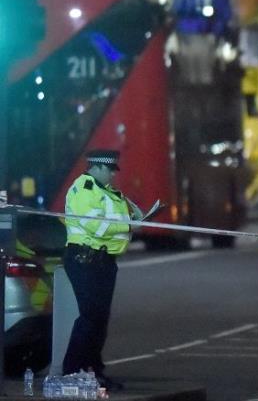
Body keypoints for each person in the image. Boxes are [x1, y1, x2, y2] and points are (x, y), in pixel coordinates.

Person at [63, 149, 141, 391]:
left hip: (105, 261)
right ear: (95, 167)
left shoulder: (110, 193)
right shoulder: (84, 189)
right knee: (90, 316)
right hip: (85, 259)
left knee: (100, 320)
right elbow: (95, 226)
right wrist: (126, 227)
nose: (112, 175)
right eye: (109, 170)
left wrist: (137, 217)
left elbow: (130, 217)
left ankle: (93, 371)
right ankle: (72, 372)